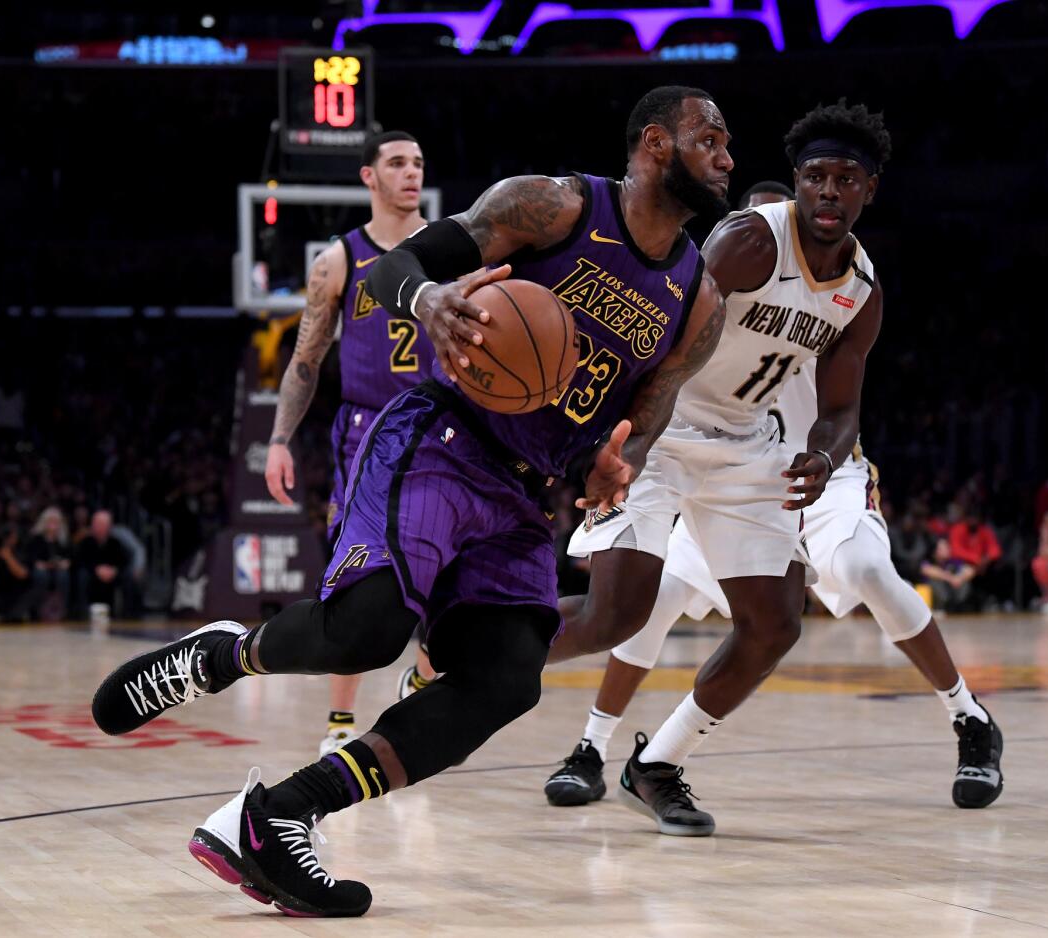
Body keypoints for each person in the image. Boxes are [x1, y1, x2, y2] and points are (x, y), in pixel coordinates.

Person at [90, 85, 733, 917]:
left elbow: (659, 396)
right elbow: (399, 267)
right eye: (709, 137)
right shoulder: (555, 206)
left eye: (727, 143)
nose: (725, 154)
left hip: (529, 496)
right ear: (654, 143)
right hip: (441, 440)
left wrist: (623, 460)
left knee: (506, 679)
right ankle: (219, 656)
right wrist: (426, 299)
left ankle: (279, 815)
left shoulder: (699, 298)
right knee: (366, 630)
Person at [545, 148, 1001, 825]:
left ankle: (659, 763)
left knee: (821, 593)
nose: (826, 194)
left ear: (867, 191)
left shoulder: (855, 290)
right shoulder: (744, 250)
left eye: (844, 181)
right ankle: (579, 736)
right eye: (813, 181)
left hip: (783, 462)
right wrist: (617, 435)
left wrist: (824, 450)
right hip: (679, 437)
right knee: (631, 604)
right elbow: (658, 336)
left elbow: (841, 408)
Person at [261, 130, 440, 757]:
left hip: (442, 429)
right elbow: (306, 359)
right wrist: (280, 439)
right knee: (356, 575)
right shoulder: (340, 259)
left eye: (417, 163)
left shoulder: (450, 249)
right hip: (366, 433)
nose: (410, 173)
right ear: (369, 176)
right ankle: (341, 719)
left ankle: (421, 675)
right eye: (396, 163)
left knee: (452, 569)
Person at [74, 509, 128, 619]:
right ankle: (82, 612)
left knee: (128, 577)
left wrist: (114, 570)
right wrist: (96, 569)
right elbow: (80, 561)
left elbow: (123, 562)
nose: (100, 527)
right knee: (82, 576)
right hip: (91, 574)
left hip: (110, 575)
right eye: (97, 524)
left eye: (103, 524)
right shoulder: (85, 542)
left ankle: (127, 613)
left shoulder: (115, 543)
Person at [0, 523, 36, 621]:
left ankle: (16, 613)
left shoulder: (21, 551)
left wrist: (8, 557)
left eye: (11, 537)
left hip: (16, 594)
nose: (8, 540)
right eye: (6, 537)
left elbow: (23, 574)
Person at [27, 506, 72, 621]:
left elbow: (70, 557)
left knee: (63, 576)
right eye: (50, 521)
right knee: (40, 575)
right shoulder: (36, 538)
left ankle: (62, 610)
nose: (53, 525)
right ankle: (38, 611)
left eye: (56, 522)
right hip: (43, 570)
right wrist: (40, 564)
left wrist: (66, 563)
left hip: (58, 570)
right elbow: (31, 558)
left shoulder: (64, 540)